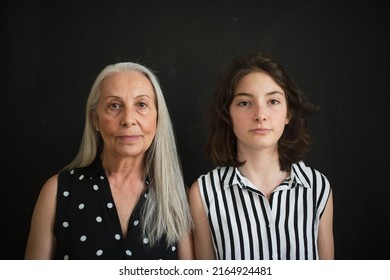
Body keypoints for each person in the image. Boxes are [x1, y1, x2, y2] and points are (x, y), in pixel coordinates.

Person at [25, 62, 193, 260]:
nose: (128, 119)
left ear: (157, 117)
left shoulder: (177, 195)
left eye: (141, 105)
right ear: (95, 119)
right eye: (114, 105)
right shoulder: (57, 192)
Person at [189, 50, 334, 260]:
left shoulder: (317, 187)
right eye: (245, 103)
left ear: (288, 114)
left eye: (273, 101)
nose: (260, 116)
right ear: (227, 114)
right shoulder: (203, 194)